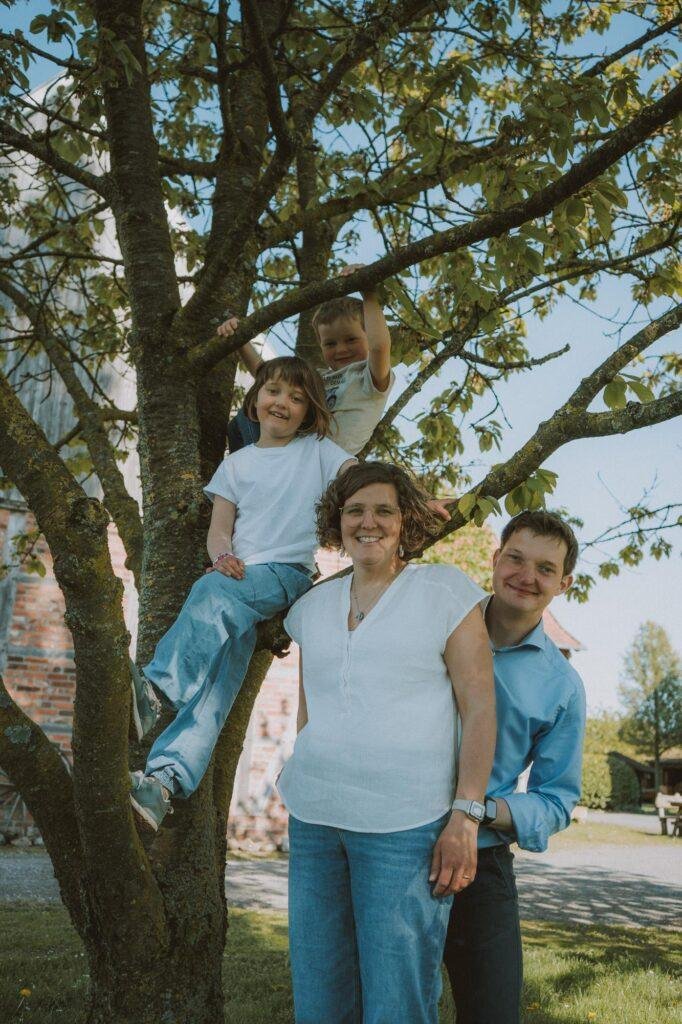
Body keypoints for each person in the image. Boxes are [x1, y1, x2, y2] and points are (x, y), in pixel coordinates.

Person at [279, 462, 497, 1024]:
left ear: (406, 522)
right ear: (337, 521)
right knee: (319, 998)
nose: (368, 522)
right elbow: (309, 707)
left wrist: (465, 816)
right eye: (355, 510)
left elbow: (479, 709)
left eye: (383, 510)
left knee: (397, 1002)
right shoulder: (311, 608)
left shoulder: (445, 592)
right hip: (315, 822)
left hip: (406, 828)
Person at [128, 356, 356, 832]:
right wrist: (222, 556)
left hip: (285, 574)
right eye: (274, 391)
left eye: (297, 398)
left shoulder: (318, 452)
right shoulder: (236, 465)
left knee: (211, 593)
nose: (282, 402)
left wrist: (415, 501)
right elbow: (219, 531)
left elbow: (363, 478)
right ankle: (163, 783)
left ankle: (155, 689)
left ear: (309, 411)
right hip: (241, 578)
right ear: (255, 399)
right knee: (217, 685)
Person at [442, 510, 587, 1024]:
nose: (527, 576)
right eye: (516, 559)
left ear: (564, 584)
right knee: (388, 1004)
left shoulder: (562, 686)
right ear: (494, 559)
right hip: (392, 839)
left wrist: (477, 811)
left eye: (545, 569)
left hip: (479, 860)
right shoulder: (438, 626)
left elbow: (556, 799)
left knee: (493, 1012)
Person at [219, 265, 394, 456]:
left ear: (369, 336)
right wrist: (240, 339)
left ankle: (255, 464)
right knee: (249, 413)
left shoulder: (369, 377)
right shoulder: (317, 377)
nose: (341, 349)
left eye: (351, 339)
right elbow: (267, 375)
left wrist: (369, 292)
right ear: (321, 346)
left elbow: (379, 347)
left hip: (324, 462)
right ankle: (249, 464)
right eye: (330, 344)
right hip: (292, 454)